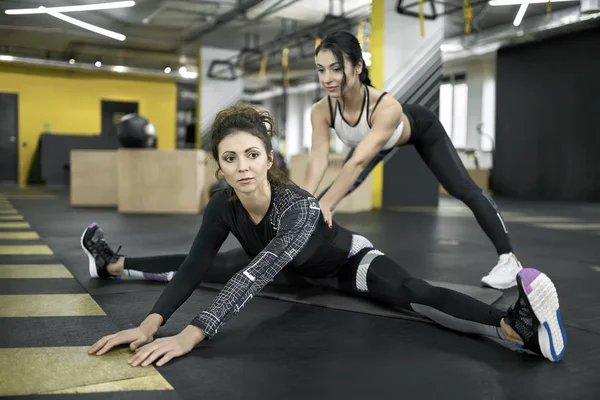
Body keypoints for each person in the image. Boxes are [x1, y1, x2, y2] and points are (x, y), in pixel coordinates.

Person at [85, 104, 566, 368]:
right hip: (281, 270)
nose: (242, 167)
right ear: (220, 167)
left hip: (345, 265)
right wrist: (149, 326)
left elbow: (254, 278)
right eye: (230, 159)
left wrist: (190, 335)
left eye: (252, 155)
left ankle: (514, 327)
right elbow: (192, 266)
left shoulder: (298, 207)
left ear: (269, 159)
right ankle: (111, 264)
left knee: (411, 291)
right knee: (201, 265)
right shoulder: (222, 205)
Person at [305, 31, 520, 290]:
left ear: (358, 67)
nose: (327, 79)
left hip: (420, 128)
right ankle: (309, 252)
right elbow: (318, 160)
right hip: (375, 140)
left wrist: (323, 205)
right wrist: (303, 205)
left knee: (462, 187)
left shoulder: (386, 107)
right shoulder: (321, 110)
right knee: (323, 200)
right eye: (321, 70)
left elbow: (357, 163)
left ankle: (509, 259)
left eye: (336, 69)